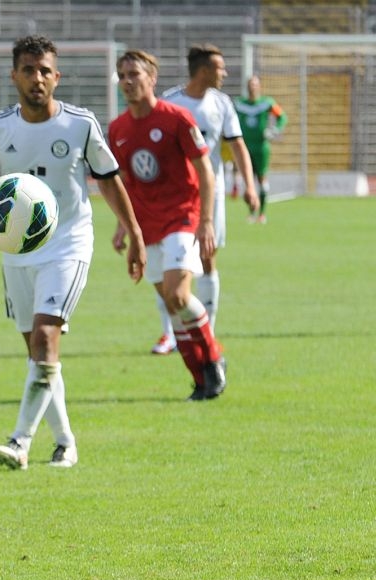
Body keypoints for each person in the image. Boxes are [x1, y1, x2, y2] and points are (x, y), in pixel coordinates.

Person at [0, 35, 146, 471]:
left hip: (68, 243)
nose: (38, 78)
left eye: (45, 70)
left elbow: (108, 179)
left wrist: (134, 233)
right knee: (39, 353)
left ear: (57, 77)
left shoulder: (80, 123)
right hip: (16, 251)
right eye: (29, 69)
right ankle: (66, 442)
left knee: (47, 337)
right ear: (14, 75)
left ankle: (19, 441)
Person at [108, 49, 227, 402]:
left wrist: (205, 221)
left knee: (177, 294)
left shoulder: (176, 118)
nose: (128, 82)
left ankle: (214, 357)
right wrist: (123, 227)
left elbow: (205, 171)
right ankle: (199, 378)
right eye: (123, 76)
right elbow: (125, 182)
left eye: (135, 74)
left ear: (152, 78)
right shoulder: (117, 129)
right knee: (170, 303)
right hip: (147, 226)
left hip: (182, 217)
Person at [149, 43, 259, 354]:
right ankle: (170, 333)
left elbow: (237, 146)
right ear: (204, 70)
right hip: (175, 197)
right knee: (167, 264)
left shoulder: (222, 103)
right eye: (220, 68)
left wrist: (249, 185)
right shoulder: (170, 102)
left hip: (211, 195)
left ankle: (206, 328)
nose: (225, 73)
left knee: (208, 258)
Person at [234, 74, 287, 224]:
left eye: (255, 84)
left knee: (262, 179)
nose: (253, 87)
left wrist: (274, 130)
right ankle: (251, 212)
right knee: (248, 181)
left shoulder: (267, 103)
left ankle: (262, 213)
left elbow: (282, 117)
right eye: (250, 84)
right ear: (247, 87)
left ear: (260, 87)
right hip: (244, 147)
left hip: (261, 147)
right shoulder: (239, 104)